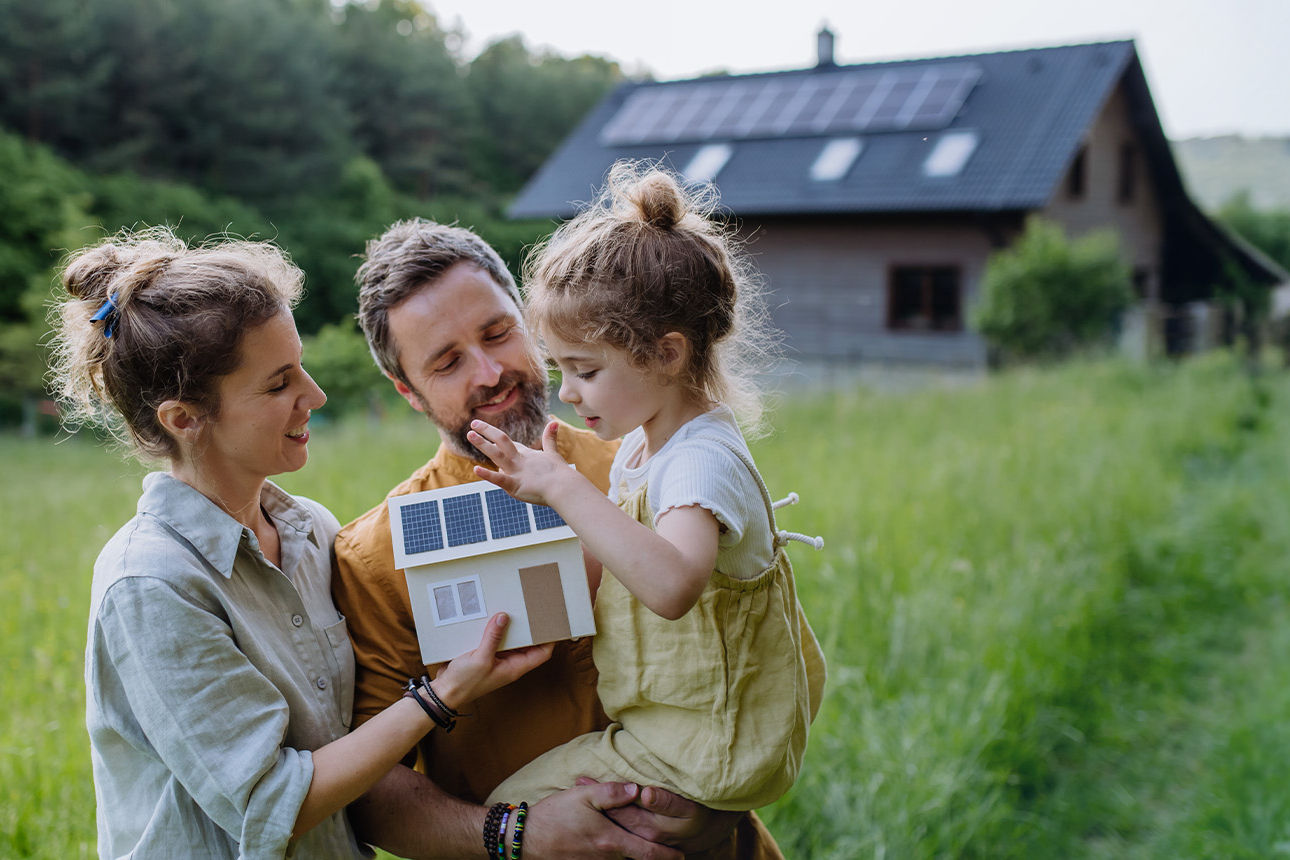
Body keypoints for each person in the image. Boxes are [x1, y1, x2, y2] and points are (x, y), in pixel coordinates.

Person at [53, 228, 550, 859]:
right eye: (278, 384)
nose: (313, 396)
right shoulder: (151, 585)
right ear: (184, 419)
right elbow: (269, 805)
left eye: (301, 367)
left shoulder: (313, 530)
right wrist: (442, 696)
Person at [334, 218, 796, 858]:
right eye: (447, 363)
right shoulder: (374, 558)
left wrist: (715, 805)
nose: (491, 371)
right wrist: (517, 835)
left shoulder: (650, 458)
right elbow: (369, 793)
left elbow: (756, 647)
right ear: (407, 392)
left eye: (498, 332)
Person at [467, 162, 826, 814]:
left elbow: (670, 586)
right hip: (675, 726)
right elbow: (610, 565)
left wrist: (565, 489)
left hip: (710, 743)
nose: (568, 393)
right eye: (561, 370)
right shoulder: (646, 442)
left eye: (586, 371)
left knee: (508, 808)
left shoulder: (699, 463)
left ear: (667, 354)